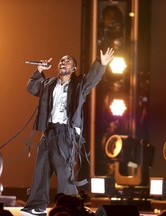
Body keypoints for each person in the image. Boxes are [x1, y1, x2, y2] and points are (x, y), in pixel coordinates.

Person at [20, 47, 114, 216]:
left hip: (66, 133)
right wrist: (39, 70)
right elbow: (32, 88)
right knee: (41, 168)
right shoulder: (48, 84)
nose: (63, 62)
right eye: (61, 61)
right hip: (48, 131)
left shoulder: (79, 85)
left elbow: (93, 79)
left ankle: (71, 206)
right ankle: (36, 205)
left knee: (64, 171)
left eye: (68, 61)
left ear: (74, 69)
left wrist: (101, 63)